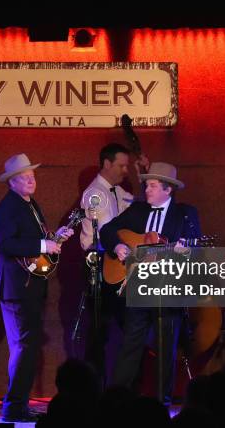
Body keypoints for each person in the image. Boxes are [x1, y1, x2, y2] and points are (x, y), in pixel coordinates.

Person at [100, 162, 201, 405]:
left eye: (152, 186)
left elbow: (195, 250)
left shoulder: (186, 214)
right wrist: (118, 246)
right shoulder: (138, 211)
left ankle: (161, 402)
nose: (146, 190)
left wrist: (183, 252)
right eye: (147, 185)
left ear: (168, 190)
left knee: (166, 346)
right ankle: (117, 400)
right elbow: (107, 230)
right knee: (131, 344)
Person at [0, 153, 74, 422]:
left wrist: (56, 239)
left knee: (27, 346)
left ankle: (18, 404)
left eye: (32, 175)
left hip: (32, 286)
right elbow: (6, 245)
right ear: (12, 182)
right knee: (24, 346)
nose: (30, 179)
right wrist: (43, 245)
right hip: (17, 288)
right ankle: (14, 407)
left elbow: (36, 242)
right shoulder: (7, 208)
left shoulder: (32, 205)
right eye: (23, 176)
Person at [79, 143, 148, 385]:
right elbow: (109, 232)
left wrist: (144, 177)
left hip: (119, 268)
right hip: (99, 267)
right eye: (121, 165)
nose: (125, 170)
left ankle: (126, 387)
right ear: (107, 164)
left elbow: (143, 209)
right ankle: (94, 390)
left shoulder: (119, 192)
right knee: (100, 332)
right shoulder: (95, 194)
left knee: (131, 329)